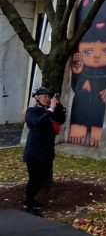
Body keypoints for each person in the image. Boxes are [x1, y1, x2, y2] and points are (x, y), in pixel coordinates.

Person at [22, 86, 66, 216]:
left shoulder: (50, 111)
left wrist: (57, 105)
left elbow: (61, 120)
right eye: (44, 96)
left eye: (49, 96)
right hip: (34, 152)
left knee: (41, 179)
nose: (47, 99)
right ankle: (28, 204)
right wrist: (50, 110)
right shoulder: (31, 111)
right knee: (34, 179)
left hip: (47, 152)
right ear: (37, 97)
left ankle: (32, 200)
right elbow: (36, 123)